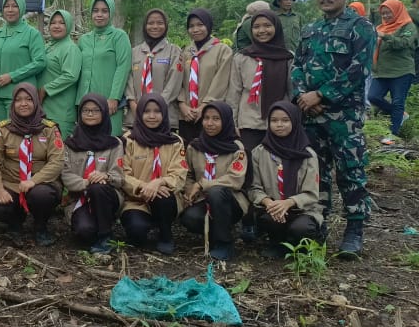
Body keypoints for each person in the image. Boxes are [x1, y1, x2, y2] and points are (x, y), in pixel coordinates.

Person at [292, 0, 376, 256]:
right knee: (316, 173)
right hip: (312, 116)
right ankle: (318, 226)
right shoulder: (311, 28)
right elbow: (297, 65)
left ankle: (354, 230)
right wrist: (304, 96)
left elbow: (359, 69)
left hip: (345, 116)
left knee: (350, 171)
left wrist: (322, 94)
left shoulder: (361, 27)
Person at [0, 83, 64, 245]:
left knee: (41, 196)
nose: (23, 103)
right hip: (11, 183)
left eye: (28, 99)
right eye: (18, 100)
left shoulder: (49, 129)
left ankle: (41, 226)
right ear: (13, 104)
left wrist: (34, 181)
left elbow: (57, 162)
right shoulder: (3, 129)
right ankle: (15, 223)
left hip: (40, 183)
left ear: (36, 102)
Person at [248, 102, 323, 258]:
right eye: (274, 121)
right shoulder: (259, 152)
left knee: (300, 228)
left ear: (294, 122)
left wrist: (288, 203)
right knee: (269, 219)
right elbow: (254, 187)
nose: (279, 125)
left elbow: (311, 193)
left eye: (285, 120)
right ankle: (278, 244)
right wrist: (269, 203)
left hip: (302, 210)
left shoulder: (308, 155)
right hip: (273, 208)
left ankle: (302, 246)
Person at [179, 102, 248, 261]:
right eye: (206, 118)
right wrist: (189, 192)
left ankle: (225, 243)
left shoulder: (236, 147)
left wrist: (203, 184)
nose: (210, 123)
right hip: (202, 199)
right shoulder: (195, 146)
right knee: (190, 218)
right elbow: (188, 174)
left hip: (230, 201)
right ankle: (213, 234)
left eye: (216, 119)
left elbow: (235, 179)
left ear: (226, 121)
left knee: (216, 192)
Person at [120, 93, 185, 254]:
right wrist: (144, 186)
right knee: (136, 233)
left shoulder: (175, 141)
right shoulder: (129, 140)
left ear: (164, 114)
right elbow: (122, 174)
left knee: (162, 195)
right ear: (140, 113)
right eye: (146, 111)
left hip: (165, 198)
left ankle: (165, 234)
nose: (152, 116)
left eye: (157, 111)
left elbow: (179, 173)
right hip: (136, 200)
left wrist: (160, 182)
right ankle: (145, 224)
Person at [61, 94, 125, 254]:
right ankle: (92, 227)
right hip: (79, 198)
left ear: (104, 113)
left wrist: (106, 177)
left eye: (95, 110)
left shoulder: (114, 143)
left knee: (98, 188)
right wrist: (87, 183)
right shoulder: (71, 143)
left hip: (107, 196)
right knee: (85, 231)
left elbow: (119, 177)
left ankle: (105, 235)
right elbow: (66, 174)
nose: (90, 114)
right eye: (86, 110)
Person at [227, 10, 293, 154]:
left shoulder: (288, 58)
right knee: (249, 166)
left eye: (267, 25)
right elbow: (234, 92)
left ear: (276, 27)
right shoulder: (242, 57)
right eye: (256, 27)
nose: (262, 30)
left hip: (279, 123)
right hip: (249, 123)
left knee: (277, 167)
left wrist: (292, 120)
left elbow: (291, 92)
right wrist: (233, 122)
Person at [75, 0, 132, 134]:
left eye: (104, 11)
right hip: (85, 104)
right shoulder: (84, 40)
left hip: (108, 103)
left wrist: (114, 97)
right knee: (86, 144)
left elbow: (123, 67)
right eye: (95, 11)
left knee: (109, 143)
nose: (99, 15)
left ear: (111, 13)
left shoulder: (119, 36)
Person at [0, 0, 45, 127]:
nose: (10, 10)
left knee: (17, 135)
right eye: (6, 6)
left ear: (22, 8)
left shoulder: (32, 34)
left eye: (14, 6)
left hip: (19, 97)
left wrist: (12, 76)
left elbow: (40, 62)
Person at [178, 8, 234, 145]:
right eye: (191, 26)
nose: (196, 29)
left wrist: (204, 106)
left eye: (200, 25)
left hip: (210, 114)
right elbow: (178, 80)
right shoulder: (185, 52)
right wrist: (182, 105)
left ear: (208, 25)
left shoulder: (222, 50)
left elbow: (221, 80)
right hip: (186, 115)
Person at [369, 0, 417, 146]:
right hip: (382, 72)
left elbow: (403, 43)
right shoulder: (380, 27)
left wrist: (385, 36)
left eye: (388, 12)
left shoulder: (409, 26)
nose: (386, 16)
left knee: (398, 102)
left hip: (402, 71)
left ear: (397, 11)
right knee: (373, 96)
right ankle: (400, 115)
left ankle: (392, 134)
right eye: (383, 13)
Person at [127, 8, 183, 128]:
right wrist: (133, 104)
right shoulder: (134, 52)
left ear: (166, 25)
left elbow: (173, 83)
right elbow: (128, 79)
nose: (155, 26)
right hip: (136, 116)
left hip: (164, 116)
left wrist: (156, 108)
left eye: (160, 23)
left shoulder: (174, 51)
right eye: (151, 23)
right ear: (145, 26)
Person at [40, 9, 82, 137]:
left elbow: (70, 76)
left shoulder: (70, 48)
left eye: (62, 23)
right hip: (44, 109)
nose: (56, 26)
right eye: (53, 22)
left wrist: (45, 89)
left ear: (68, 25)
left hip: (61, 111)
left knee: (59, 152)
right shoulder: (47, 47)